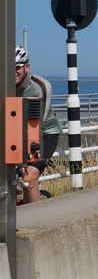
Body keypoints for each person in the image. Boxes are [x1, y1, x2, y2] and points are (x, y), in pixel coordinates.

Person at [14, 46, 61, 203]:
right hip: (14, 131)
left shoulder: (40, 87)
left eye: (17, 67)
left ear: (27, 67)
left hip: (43, 133)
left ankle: (33, 221)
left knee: (30, 176)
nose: (13, 71)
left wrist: (24, 162)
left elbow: (36, 127)